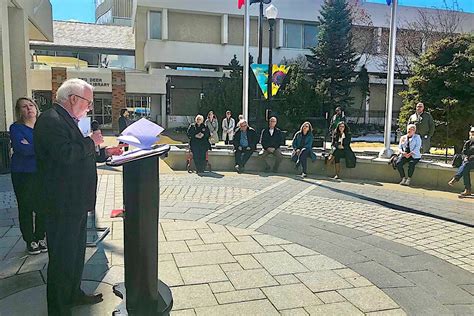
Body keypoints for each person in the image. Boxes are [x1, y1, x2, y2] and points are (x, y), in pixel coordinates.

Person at [34, 79, 123, 316]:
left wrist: (104, 152)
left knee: (74, 256)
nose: (90, 107)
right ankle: (59, 309)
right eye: (88, 102)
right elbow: (65, 155)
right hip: (61, 204)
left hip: (75, 202)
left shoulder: (68, 120)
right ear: (73, 99)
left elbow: (80, 155)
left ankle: (73, 294)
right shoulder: (50, 120)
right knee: (62, 259)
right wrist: (91, 142)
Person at [9, 97, 46, 255]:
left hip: (42, 172)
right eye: (24, 107)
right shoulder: (16, 128)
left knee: (43, 206)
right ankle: (30, 239)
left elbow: (45, 147)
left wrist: (34, 147)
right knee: (25, 206)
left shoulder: (43, 126)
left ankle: (40, 236)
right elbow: (23, 149)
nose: (29, 108)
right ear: (19, 111)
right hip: (22, 173)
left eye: (31, 105)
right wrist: (42, 149)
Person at [448, 127, 474, 198]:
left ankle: (456, 179)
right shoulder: (468, 143)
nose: (473, 133)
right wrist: (466, 157)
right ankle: (467, 190)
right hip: (468, 161)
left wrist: (470, 156)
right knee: (465, 167)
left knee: (466, 165)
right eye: (472, 132)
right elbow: (464, 152)